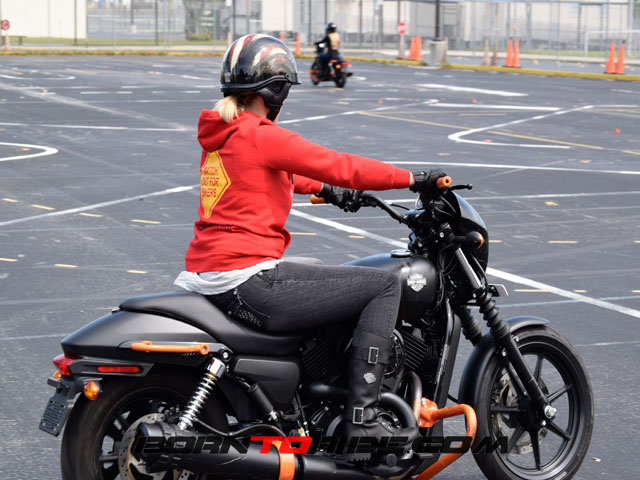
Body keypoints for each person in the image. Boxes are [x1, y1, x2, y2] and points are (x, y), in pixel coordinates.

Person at [174, 33, 445, 459]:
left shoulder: (225, 133)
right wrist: (413, 179)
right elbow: (339, 165)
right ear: (276, 91)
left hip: (214, 273)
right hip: (248, 277)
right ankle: (363, 420)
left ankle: (310, 400)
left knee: (314, 265)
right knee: (383, 286)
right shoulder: (262, 135)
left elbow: (272, 173)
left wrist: (326, 190)